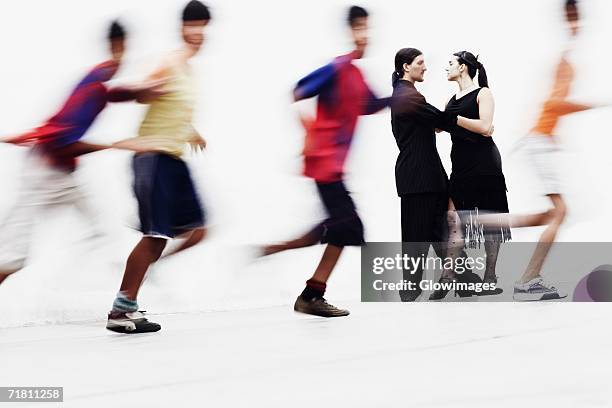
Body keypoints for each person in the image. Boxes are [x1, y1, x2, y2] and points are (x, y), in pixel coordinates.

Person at [0, 21, 161, 286]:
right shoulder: (93, 86)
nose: (123, 58)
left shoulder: (99, 75)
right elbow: (66, 142)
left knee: (100, 229)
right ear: (114, 46)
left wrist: (141, 92)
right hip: (44, 172)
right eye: (120, 49)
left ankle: (91, 286)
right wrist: (117, 145)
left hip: (62, 173)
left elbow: (111, 93)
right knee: (13, 256)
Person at [261, 6, 389, 317]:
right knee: (348, 227)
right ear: (350, 32)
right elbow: (297, 91)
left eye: (368, 28)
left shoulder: (357, 76)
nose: (365, 35)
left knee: (344, 229)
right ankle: (289, 261)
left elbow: (370, 105)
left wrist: (401, 96)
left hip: (335, 167)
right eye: (359, 28)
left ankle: (310, 292)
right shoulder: (335, 69)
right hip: (324, 164)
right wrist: (309, 134)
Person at [106, 1, 210, 333]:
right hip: (152, 157)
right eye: (192, 25)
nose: (197, 32)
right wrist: (145, 90)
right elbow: (137, 92)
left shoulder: (190, 72)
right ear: (182, 29)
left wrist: (192, 131)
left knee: (197, 229)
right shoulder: (168, 62)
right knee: (155, 235)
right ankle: (121, 310)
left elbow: (175, 107)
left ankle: (145, 276)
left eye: (202, 26)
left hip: (174, 158)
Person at [390, 48, 493, 301]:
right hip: (417, 178)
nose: (425, 68)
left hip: (430, 176)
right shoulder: (405, 95)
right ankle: (410, 289)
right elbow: (437, 117)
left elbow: (435, 122)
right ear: (406, 66)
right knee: (415, 237)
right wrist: (478, 127)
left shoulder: (410, 94)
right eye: (420, 63)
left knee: (442, 233)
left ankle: (465, 279)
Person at [441, 50, 509, 298]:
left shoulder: (483, 93)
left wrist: (453, 119)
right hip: (460, 165)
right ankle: (447, 276)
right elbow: (439, 124)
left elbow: (484, 127)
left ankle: (490, 277)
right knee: (454, 219)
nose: (445, 68)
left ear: (462, 67)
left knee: (491, 220)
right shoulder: (451, 100)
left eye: (450, 64)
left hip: (485, 163)